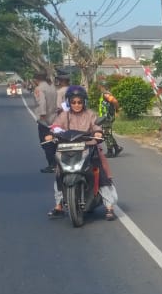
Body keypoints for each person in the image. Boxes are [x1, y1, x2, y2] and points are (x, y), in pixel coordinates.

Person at [45, 85, 118, 221]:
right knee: (59, 174)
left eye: (79, 102)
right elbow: (55, 126)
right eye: (73, 102)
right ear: (69, 102)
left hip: (88, 148)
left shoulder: (90, 114)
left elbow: (97, 126)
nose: (77, 105)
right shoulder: (64, 115)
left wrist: (97, 132)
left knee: (101, 175)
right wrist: (50, 134)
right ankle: (59, 206)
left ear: (84, 102)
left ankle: (109, 208)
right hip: (67, 149)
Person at [33, 72, 59, 173]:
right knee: (55, 141)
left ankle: (52, 164)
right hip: (54, 117)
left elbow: (42, 102)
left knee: (46, 143)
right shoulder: (52, 87)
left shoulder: (39, 88)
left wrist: (42, 115)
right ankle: (57, 162)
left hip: (45, 120)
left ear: (36, 79)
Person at [97, 83, 123, 158]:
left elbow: (114, 101)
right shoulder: (105, 94)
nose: (98, 88)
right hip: (106, 117)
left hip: (107, 118)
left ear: (102, 87)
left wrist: (117, 109)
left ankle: (110, 151)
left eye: (100, 86)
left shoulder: (106, 94)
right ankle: (117, 148)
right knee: (108, 133)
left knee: (106, 134)